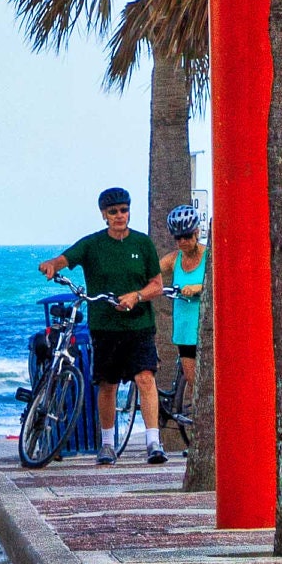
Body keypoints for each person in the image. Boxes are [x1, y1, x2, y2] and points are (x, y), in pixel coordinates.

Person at [38, 186, 167, 467]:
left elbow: (157, 285)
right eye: (113, 212)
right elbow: (66, 258)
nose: (120, 216)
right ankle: (107, 444)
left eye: (123, 210)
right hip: (106, 327)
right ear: (103, 215)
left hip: (139, 325)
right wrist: (52, 265)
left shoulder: (142, 244)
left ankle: (153, 442)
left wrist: (137, 296)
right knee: (107, 384)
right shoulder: (93, 244)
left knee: (145, 377)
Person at [160, 207, 206, 438]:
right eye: (178, 238)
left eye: (187, 236)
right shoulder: (173, 260)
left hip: (207, 330)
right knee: (194, 382)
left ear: (197, 232)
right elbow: (152, 276)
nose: (183, 241)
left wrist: (198, 288)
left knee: (210, 383)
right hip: (186, 331)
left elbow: (219, 281)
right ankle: (199, 435)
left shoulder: (209, 257)